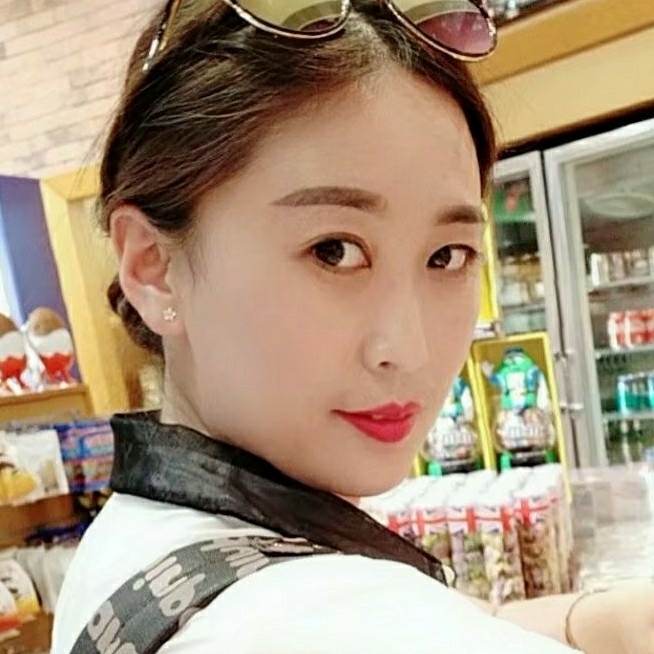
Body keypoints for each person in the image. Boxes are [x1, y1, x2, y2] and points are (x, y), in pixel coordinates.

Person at [52, 1, 654, 653]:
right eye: (334, 251)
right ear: (154, 267)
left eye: (447, 256)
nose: (409, 349)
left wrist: (601, 621)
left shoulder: (137, 537)